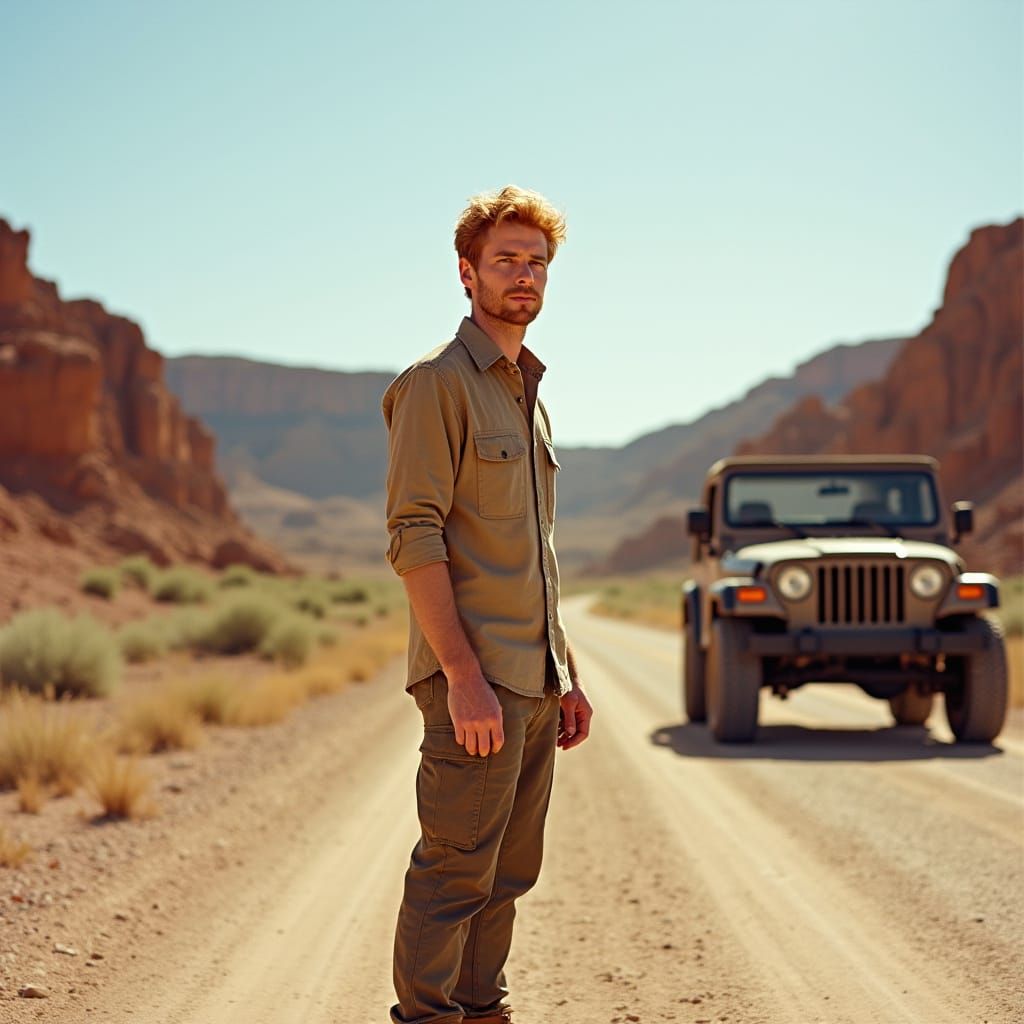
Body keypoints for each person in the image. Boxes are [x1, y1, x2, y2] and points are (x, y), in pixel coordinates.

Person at [383, 185, 594, 1024]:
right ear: (467, 273)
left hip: (532, 684)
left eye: (537, 262)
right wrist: (463, 678)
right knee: (453, 874)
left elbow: (534, 554)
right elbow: (414, 536)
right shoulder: (437, 384)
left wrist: (566, 676)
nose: (525, 275)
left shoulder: (525, 393)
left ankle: (482, 1011)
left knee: (507, 875)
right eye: (506, 260)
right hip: (476, 683)